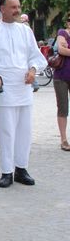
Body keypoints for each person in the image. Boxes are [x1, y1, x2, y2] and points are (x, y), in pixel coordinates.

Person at [0, 0, 46, 188]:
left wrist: (33, 70)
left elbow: (36, 57)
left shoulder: (26, 31)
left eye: (18, 6)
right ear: (2, 9)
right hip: (4, 89)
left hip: (24, 88)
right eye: (13, 7)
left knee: (25, 131)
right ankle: (7, 171)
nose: (17, 10)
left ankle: (21, 169)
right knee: (6, 132)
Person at [51, 14, 70, 151]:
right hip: (62, 76)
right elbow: (62, 50)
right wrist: (65, 49)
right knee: (63, 107)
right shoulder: (62, 33)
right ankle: (63, 139)